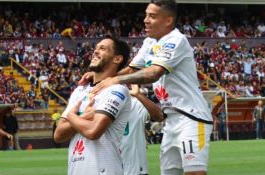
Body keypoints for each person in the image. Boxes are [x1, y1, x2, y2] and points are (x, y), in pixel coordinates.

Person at [81, 1, 213, 174]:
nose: (146, 20)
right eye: (146, 15)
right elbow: (132, 69)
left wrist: (114, 80)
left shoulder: (176, 40)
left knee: (194, 172)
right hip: (171, 121)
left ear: (167, 20)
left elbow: (154, 73)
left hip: (192, 117)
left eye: (152, 16)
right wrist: (101, 77)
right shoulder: (150, 42)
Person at [54, 36, 132, 175]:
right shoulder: (80, 89)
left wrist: (72, 116)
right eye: (95, 48)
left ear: (117, 59)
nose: (95, 52)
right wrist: (83, 117)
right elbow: (58, 134)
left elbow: (93, 131)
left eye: (102, 49)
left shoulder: (118, 90)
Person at [121, 84, 164, 175]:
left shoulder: (136, 103)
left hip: (137, 169)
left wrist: (138, 95)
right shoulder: (98, 101)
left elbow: (160, 116)